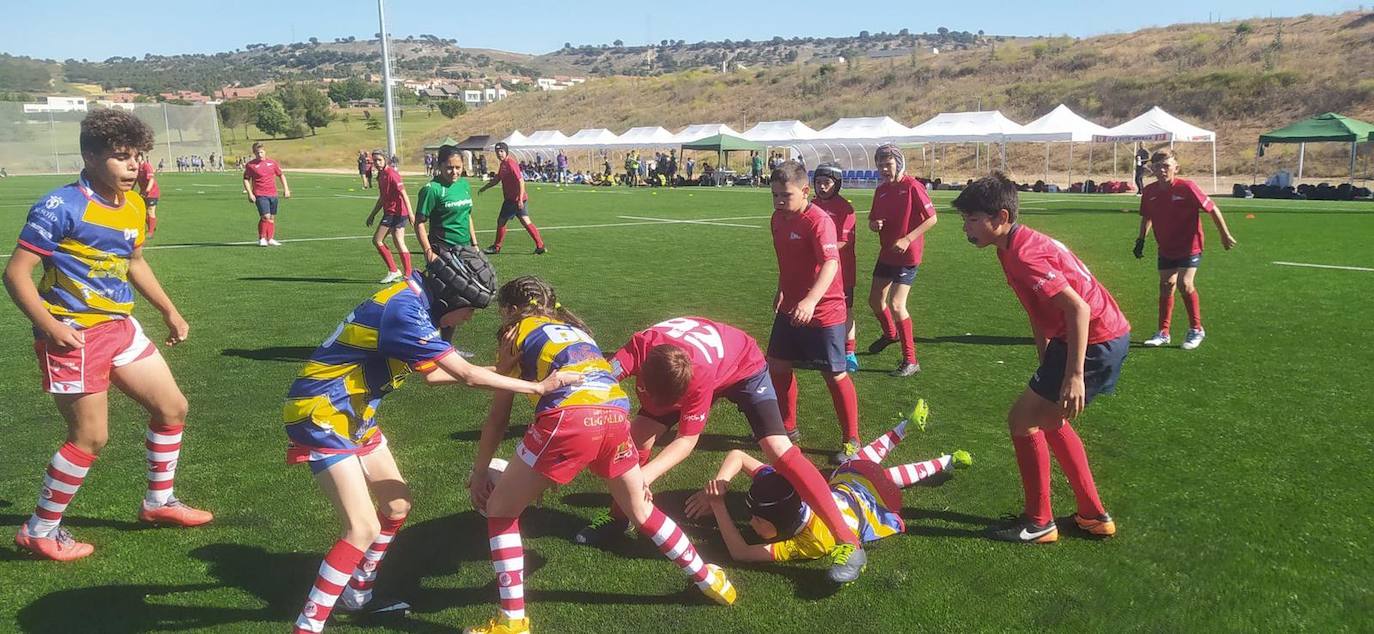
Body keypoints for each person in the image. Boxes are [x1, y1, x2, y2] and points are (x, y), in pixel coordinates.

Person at [284, 249, 576, 633]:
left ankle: (357, 594)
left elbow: (435, 376)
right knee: (361, 527)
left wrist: (504, 369)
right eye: (470, 309)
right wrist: (537, 386)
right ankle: (308, 626)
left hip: (353, 416)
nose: (470, 317)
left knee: (397, 506)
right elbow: (466, 375)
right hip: (320, 414)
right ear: (452, 299)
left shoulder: (419, 303)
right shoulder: (405, 311)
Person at [464, 281, 737, 634]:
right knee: (641, 510)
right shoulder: (574, 329)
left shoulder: (515, 333)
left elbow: (499, 417)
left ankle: (512, 623)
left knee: (500, 510)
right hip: (616, 414)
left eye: (504, 311)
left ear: (512, 309)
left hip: (570, 419)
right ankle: (708, 579)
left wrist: (480, 471)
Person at [4, 108, 212, 562]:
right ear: (91, 157)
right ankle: (39, 530)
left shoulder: (133, 203)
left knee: (172, 408)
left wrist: (170, 311)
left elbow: (134, 262)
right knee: (90, 437)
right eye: (121, 157)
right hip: (75, 335)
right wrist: (51, 327)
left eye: (137, 156)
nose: (133, 166)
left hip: (121, 328)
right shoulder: (60, 207)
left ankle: (159, 502)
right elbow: (16, 274)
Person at [574, 315, 871, 584]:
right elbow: (598, 380)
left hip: (743, 365)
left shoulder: (697, 375)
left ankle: (848, 542)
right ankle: (619, 517)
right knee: (637, 437)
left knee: (778, 449)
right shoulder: (639, 347)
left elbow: (686, 440)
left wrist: (644, 478)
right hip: (692, 362)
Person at [952, 172, 1127, 544]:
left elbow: (1078, 309)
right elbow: (1038, 309)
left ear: (1001, 217)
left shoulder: (1025, 254)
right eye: (964, 219)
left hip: (1095, 339)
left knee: (1022, 420)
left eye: (972, 220)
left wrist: (1074, 375)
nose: (966, 228)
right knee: (1048, 419)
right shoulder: (1010, 246)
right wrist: (1047, 358)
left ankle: (1039, 522)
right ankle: (1093, 515)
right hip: (1087, 336)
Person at [684, 403, 971, 563]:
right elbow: (737, 455)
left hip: (867, 505)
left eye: (757, 519)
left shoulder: (814, 542)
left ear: (782, 523)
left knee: (888, 475)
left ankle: (945, 459)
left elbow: (741, 553)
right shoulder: (788, 485)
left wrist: (718, 505)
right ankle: (910, 430)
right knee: (865, 463)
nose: (751, 522)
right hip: (846, 489)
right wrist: (721, 482)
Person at [767, 161, 862, 463]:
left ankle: (852, 439)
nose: (779, 201)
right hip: (790, 307)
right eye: (775, 195)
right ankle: (788, 427)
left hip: (824, 310)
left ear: (805, 191)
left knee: (834, 374)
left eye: (786, 195)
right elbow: (787, 260)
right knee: (778, 366)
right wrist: (782, 289)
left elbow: (831, 263)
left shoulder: (819, 221)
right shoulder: (777, 219)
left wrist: (810, 301)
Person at [1135, 149, 1237, 350]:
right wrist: (1140, 240)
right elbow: (1147, 217)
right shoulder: (1149, 192)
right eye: (1157, 166)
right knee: (1166, 285)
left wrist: (1225, 235)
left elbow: (1212, 209)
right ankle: (1163, 332)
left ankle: (1196, 329)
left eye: (1166, 166)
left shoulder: (1187, 187)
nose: (1162, 170)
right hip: (1166, 246)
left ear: (1176, 168)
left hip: (1190, 245)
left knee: (1184, 283)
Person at [866, 144, 936, 377]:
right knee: (875, 301)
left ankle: (910, 360)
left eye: (888, 164)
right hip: (887, 252)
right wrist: (875, 225)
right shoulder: (881, 190)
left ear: (899, 163)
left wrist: (907, 239)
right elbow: (873, 220)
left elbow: (932, 219)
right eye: (880, 165)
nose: (884, 169)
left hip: (908, 255)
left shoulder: (913, 186)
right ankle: (890, 334)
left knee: (897, 305)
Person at [811, 163, 858, 373]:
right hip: (816, 270)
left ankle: (849, 352)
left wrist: (821, 250)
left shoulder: (845, 209)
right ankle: (816, 348)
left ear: (837, 184)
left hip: (842, 271)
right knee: (816, 306)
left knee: (845, 310)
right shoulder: (811, 205)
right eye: (818, 182)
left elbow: (845, 242)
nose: (822, 187)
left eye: (827, 183)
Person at [477, 142, 545, 255]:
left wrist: (519, 199)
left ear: (506, 151)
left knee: (501, 221)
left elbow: (521, 181)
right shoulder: (503, 164)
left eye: (501, 151)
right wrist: (485, 187)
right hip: (516, 199)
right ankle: (540, 245)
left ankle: (496, 247)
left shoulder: (511, 164)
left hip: (514, 200)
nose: (499, 154)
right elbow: (497, 179)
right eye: (497, 152)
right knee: (525, 221)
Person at [365, 151, 416, 284]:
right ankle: (406, 274)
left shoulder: (392, 174)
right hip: (390, 212)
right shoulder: (381, 175)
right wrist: (372, 214)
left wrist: (411, 214)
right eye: (375, 160)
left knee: (377, 240)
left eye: (379, 160)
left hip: (396, 213)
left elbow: (404, 194)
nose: (377, 163)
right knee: (398, 241)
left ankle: (395, 271)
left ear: (385, 160)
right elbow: (382, 198)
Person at [243, 142, 290, 247]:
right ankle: (262, 238)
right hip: (260, 194)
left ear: (265, 152)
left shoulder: (272, 163)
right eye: (257, 153)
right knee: (265, 216)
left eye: (261, 152)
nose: (260, 154)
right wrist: (250, 193)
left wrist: (286, 189)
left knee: (271, 218)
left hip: (273, 194)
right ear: (254, 153)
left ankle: (270, 238)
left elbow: (281, 175)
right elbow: (246, 179)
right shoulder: (250, 165)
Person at [135, 152, 160, 240]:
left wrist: (147, 191)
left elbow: (151, 180)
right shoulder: (137, 167)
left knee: (150, 210)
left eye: (138, 156)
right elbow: (135, 180)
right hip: (143, 192)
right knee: (141, 211)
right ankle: (152, 225)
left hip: (152, 192)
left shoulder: (146, 166)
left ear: (141, 157)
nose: (136, 158)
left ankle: (150, 232)